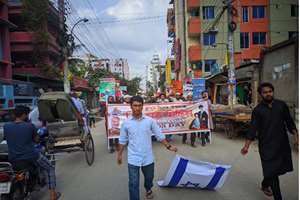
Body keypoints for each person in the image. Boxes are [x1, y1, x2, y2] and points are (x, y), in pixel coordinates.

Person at [241, 82, 298, 200]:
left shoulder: (281, 105)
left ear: (273, 92)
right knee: (272, 171)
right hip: (266, 145)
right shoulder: (257, 110)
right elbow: (253, 128)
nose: (268, 94)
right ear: (261, 94)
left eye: (270, 92)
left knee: (275, 170)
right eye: (265, 92)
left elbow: (289, 121)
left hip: (281, 144)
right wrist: (246, 146)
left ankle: (264, 184)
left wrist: (295, 136)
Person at [117, 96, 177, 200]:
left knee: (149, 178)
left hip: (147, 157)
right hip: (133, 158)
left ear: (142, 106)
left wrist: (168, 146)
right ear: (131, 106)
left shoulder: (150, 121)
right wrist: (119, 155)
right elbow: (122, 140)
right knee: (133, 183)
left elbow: (159, 135)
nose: (137, 108)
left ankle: (148, 188)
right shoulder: (126, 124)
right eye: (135, 105)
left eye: (139, 105)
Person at [4, 106, 60, 200]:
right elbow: (36, 140)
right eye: (27, 114)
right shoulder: (29, 126)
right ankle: (53, 195)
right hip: (31, 156)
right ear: (24, 115)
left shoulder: (7, 126)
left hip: (13, 158)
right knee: (50, 168)